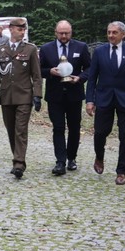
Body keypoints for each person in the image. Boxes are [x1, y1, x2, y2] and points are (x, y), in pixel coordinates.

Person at [85, 21, 125, 186]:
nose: (111, 35)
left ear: (123, 34)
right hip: (103, 98)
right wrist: (89, 100)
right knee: (100, 133)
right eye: (109, 32)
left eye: (114, 32)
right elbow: (92, 78)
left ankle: (121, 171)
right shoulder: (99, 52)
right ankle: (99, 156)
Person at [0, 18, 42, 179]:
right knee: (11, 130)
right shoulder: (1, 50)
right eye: (19, 29)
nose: (22, 31)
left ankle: (19, 163)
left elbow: (36, 76)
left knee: (20, 130)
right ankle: (17, 158)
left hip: (24, 96)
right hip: (6, 96)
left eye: (24, 29)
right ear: (11, 29)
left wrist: (37, 95)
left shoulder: (30, 49)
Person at [39, 20, 92, 175]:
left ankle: (72, 158)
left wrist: (80, 78)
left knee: (74, 128)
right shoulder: (46, 48)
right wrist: (50, 72)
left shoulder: (81, 47)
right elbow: (38, 70)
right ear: (55, 32)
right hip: (54, 95)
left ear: (71, 32)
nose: (64, 36)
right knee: (58, 128)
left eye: (66, 33)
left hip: (74, 94)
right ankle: (60, 162)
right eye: (61, 33)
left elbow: (89, 67)